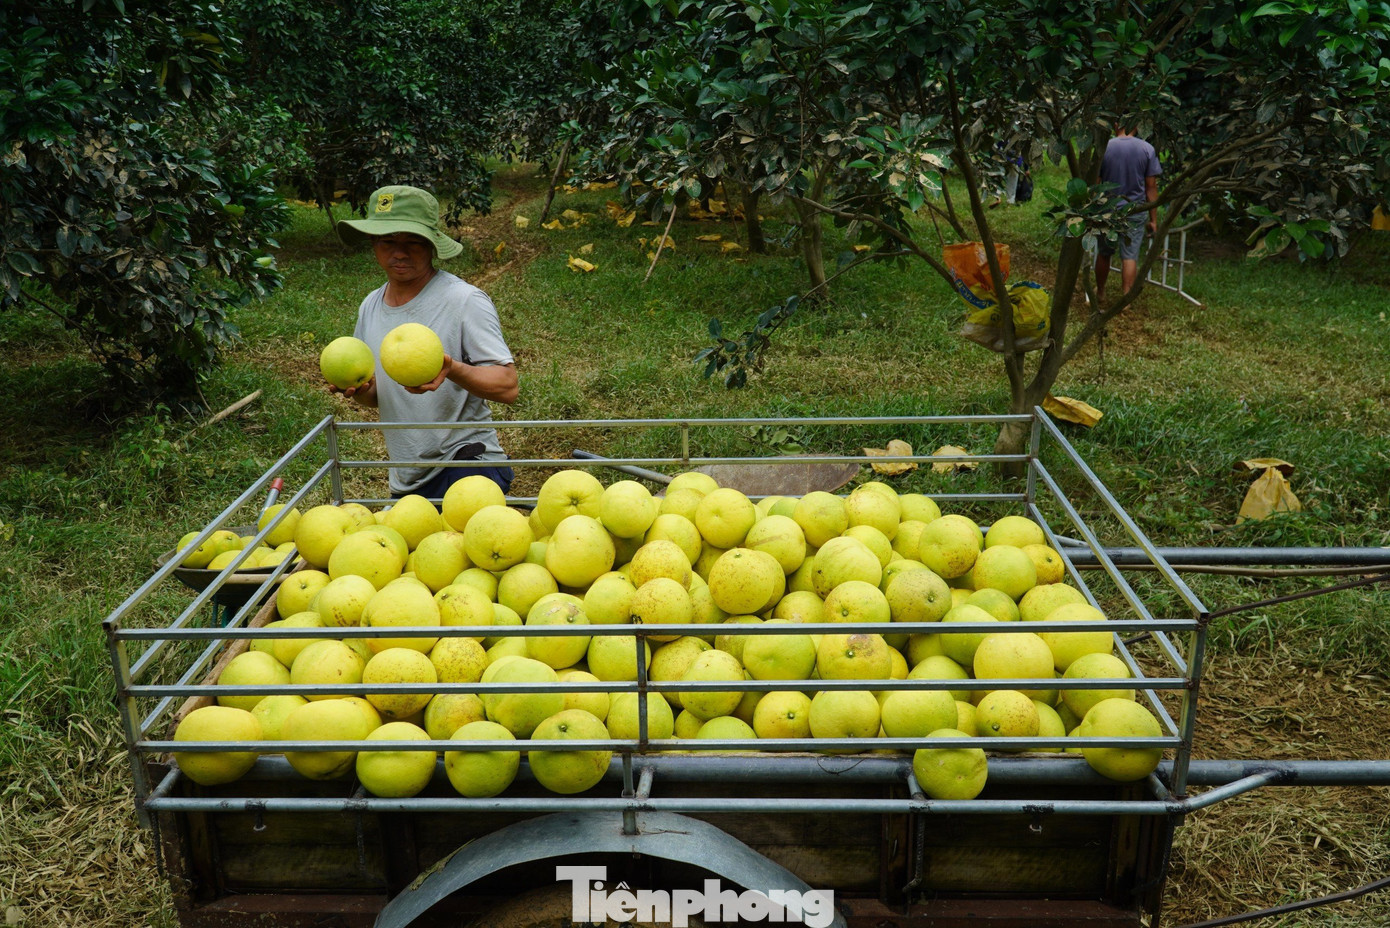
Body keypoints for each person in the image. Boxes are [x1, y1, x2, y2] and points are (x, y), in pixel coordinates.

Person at [330, 184, 519, 499]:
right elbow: (380, 395)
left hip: (466, 464)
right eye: (388, 241)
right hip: (406, 477)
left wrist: (450, 368)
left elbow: (508, 386)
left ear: (432, 246)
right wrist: (359, 391)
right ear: (374, 244)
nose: (399, 252)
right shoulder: (370, 307)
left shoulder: (463, 300)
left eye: (413, 243)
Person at [1094, 123, 1161, 303]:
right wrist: (1153, 219)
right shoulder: (1147, 149)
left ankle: (1100, 291)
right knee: (1130, 256)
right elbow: (1151, 188)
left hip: (1108, 209)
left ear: (1116, 125)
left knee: (1104, 252)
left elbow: (1096, 183)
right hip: (1135, 210)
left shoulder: (1104, 148)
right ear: (1137, 126)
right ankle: (1125, 299)